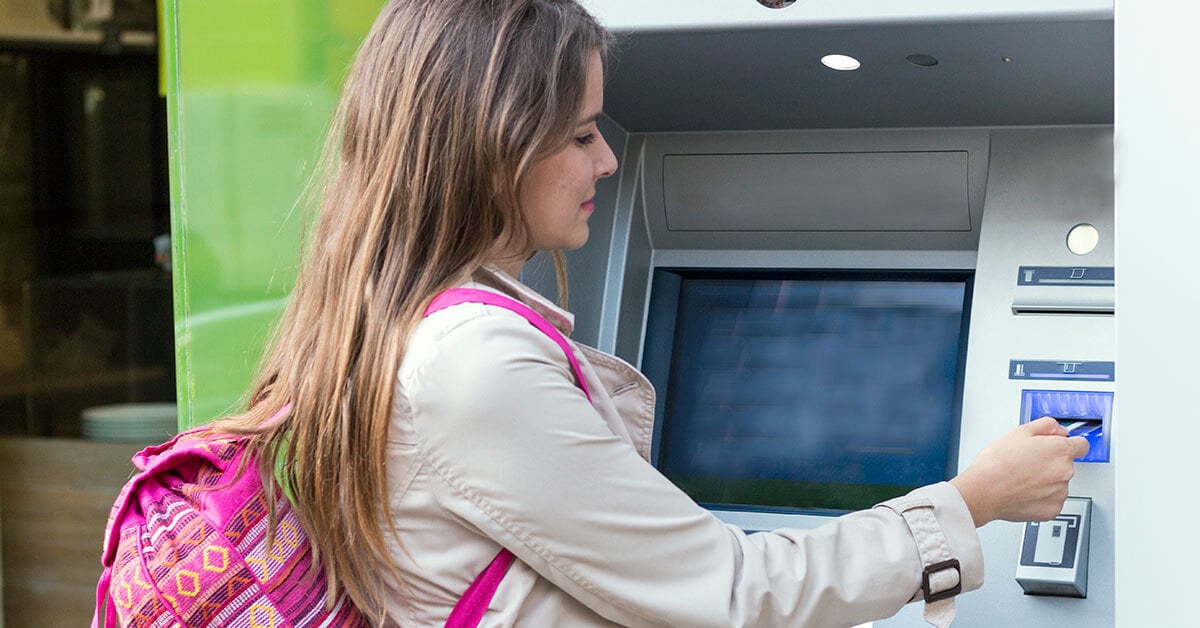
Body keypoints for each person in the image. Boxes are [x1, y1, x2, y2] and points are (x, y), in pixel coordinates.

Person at [207, 1, 1090, 626]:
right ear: (495, 146)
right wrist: (973, 501)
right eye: (582, 134)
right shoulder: (472, 365)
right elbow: (735, 595)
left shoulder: (393, 327)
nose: (608, 163)